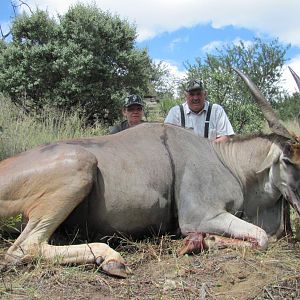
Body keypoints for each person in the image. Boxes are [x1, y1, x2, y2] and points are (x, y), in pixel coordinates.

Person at [164, 79, 234, 142]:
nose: (195, 98)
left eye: (199, 94)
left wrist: (203, 150)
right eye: (192, 94)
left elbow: (225, 137)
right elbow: (167, 137)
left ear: (205, 94)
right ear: (186, 96)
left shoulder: (217, 110)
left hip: (210, 154)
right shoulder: (175, 112)